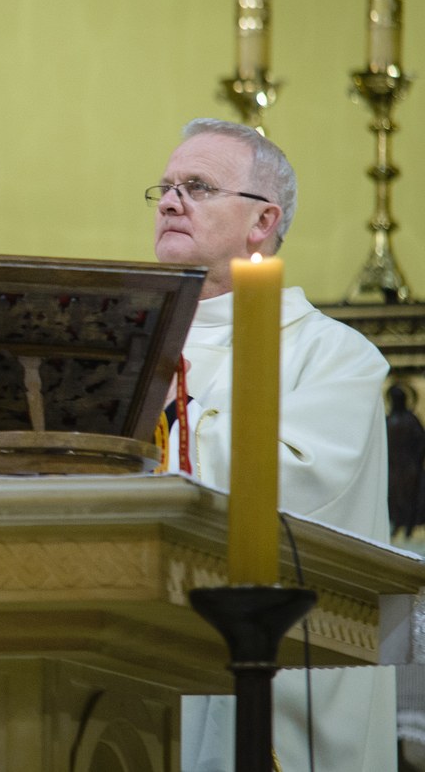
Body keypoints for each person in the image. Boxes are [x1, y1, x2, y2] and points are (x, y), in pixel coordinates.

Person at [148, 118, 393, 772]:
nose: (170, 202)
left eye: (198, 187)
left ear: (263, 221)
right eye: (165, 188)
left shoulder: (335, 357)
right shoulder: (128, 342)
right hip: (139, 655)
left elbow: (285, 484)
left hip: (278, 672)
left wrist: (155, 427)